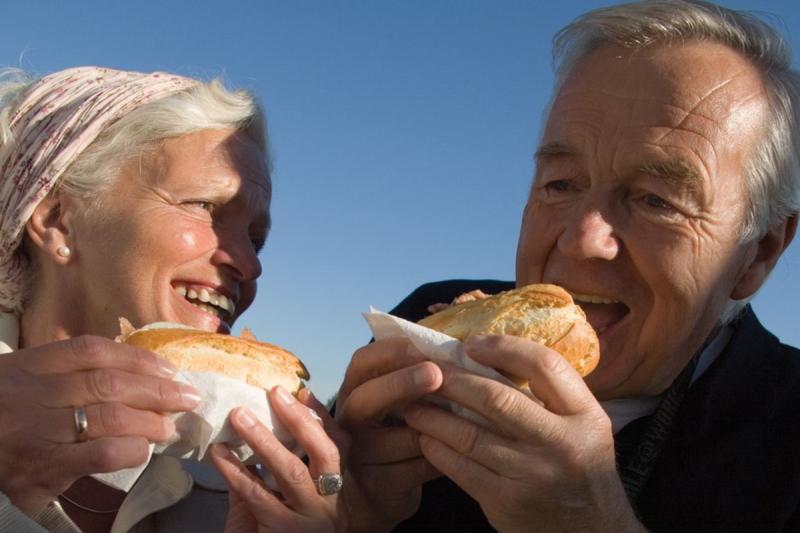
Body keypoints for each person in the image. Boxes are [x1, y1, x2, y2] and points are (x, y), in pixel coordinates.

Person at [334, 1, 800, 531]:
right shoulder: (425, 324)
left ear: (759, 252)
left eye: (655, 199)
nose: (582, 241)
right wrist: (344, 511)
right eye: (560, 184)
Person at [0, 66, 344, 532]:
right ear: (59, 220)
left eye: (256, 240)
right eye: (205, 207)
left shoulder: (246, 483)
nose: (249, 264)